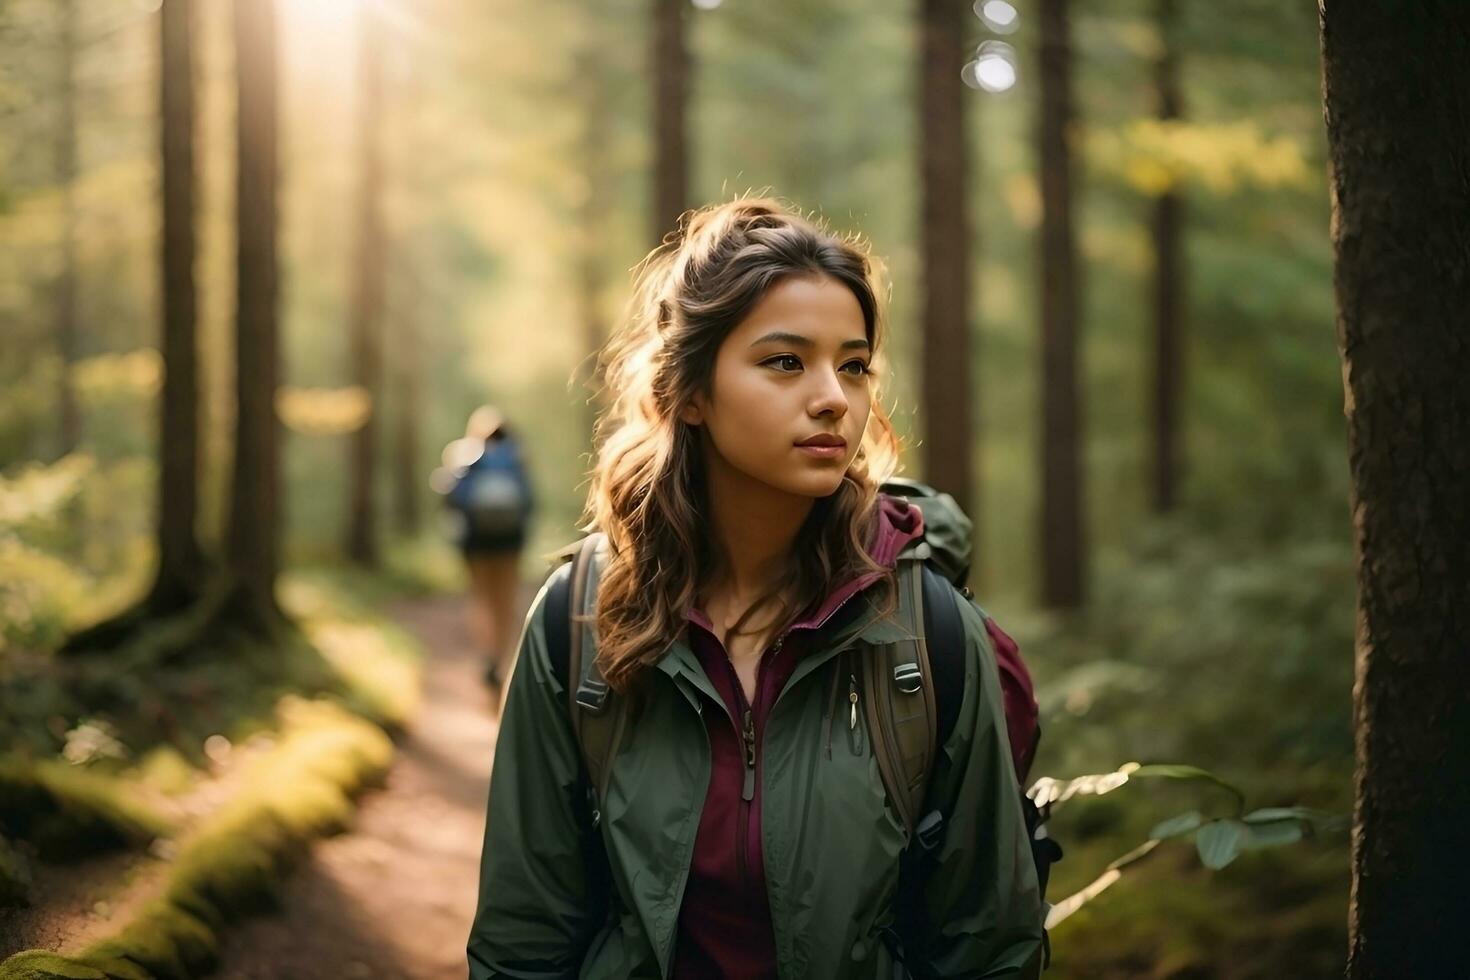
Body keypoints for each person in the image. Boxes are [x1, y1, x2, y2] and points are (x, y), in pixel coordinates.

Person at [468, 199, 1043, 978]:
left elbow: (991, 944)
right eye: (784, 362)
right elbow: (523, 936)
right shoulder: (580, 622)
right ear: (692, 393)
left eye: (853, 364)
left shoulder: (926, 627)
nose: (834, 397)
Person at [439, 405, 534, 706]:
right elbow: (530, 501)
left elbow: (449, 497)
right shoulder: (516, 456)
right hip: (510, 541)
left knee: (481, 598)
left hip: (476, 541)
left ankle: (487, 656)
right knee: (505, 601)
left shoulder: (464, 455)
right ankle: (503, 661)